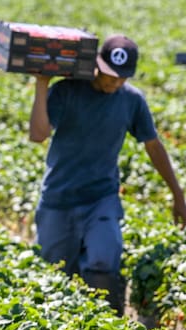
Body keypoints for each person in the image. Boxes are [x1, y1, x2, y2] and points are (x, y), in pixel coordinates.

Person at [29, 34, 186, 315]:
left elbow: (153, 146)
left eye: (122, 78)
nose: (114, 82)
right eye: (110, 75)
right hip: (58, 197)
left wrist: (178, 194)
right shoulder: (67, 91)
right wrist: (42, 85)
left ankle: (108, 327)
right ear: (97, 65)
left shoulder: (131, 100)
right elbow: (38, 134)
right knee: (54, 276)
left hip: (101, 198)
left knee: (103, 262)